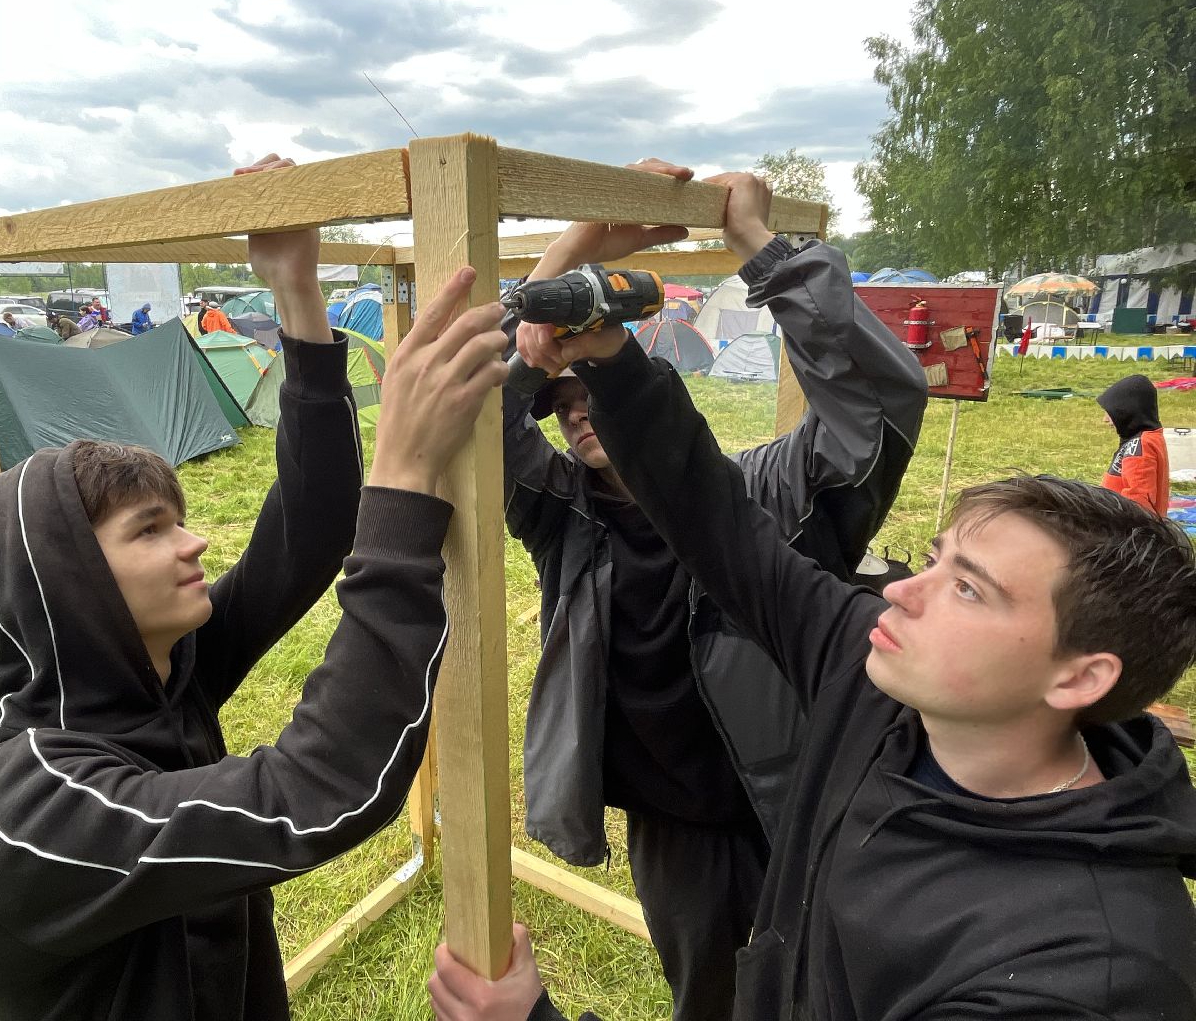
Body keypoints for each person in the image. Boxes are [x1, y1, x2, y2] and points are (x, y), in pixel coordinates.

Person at [429, 173, 1196, 1021]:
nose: (897, 592)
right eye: (933, 562)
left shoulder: (1084, 975)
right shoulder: (887, 700)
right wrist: (585, 303)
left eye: (968, 590)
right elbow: (510, 434)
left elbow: (845, 423)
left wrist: (766, 248)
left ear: (1081, 676)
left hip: (777, 791)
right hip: (674, 814)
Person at [0, 153, 510, 1021]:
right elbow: (320, 788)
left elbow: (308, 533)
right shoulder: (23, 814)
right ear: (71, 583)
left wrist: (295, 295)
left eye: (178, 517)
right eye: (151, 531)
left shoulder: (151, 684)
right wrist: (408, 477)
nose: (194, 541)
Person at [494, 162, 926, 1021]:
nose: (580, 411)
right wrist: (578, 245)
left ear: (652, 392)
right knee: (712, 999)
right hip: (677, 828)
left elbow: (873, 413)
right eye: (563, 399)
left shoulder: (762, 497)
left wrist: (764, 252)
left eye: (598, 390)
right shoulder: (561, 514)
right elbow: (465, 407)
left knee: (837, 987)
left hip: (800, 800)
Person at [1098, 373, 1169, 516]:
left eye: (1110, 413)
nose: (1105, 420)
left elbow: (1139, 501)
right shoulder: (1146, 437)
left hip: (1127, 530)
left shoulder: (1140, 445)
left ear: (1127, 411)